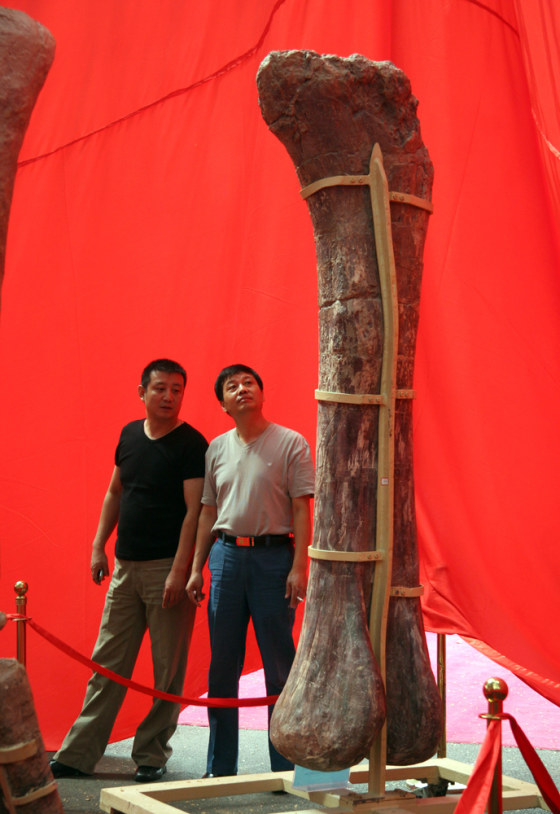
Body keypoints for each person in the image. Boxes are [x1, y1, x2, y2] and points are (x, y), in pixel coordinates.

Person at [49, 359, 208, 783]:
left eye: (177, 390)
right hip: (124, 567)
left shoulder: (192, 444)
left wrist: (180, 572)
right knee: (107, 663)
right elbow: (115, 491)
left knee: (166, 670)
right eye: (160, 388)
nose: (169, 397)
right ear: (142, 392)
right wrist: (98, 545)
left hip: (165, 571)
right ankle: (78, 754)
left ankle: (152, 755)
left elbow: (195, 513)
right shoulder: (129, 435)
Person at [186, 363, 314, 777]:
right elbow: (207, 512)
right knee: (223, 663)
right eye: (231, 387)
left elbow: (300, 507)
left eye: (249, 384)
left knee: (279, 661)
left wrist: (299, 566)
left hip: (274, 557)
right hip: (225, 557)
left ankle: (286, 764)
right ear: (223, 404)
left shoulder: (291, 443)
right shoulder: (216, 448)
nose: (241, 390)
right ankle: (220, 768)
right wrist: (196, 568)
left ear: (262, 392)